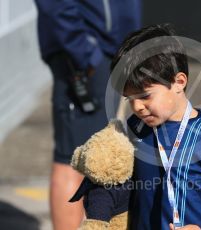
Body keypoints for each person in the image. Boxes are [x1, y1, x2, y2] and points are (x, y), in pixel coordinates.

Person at [110, 24, 201, 230]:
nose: (137, 107)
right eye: (129, 99)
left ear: (178, 82)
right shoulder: (133, 128)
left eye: (144, 96)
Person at [33, 1, 140, 229]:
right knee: (76, 161)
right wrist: (84, 52)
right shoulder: (88, 53)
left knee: (103, 157)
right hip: (88, 54)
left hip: (112, 50)